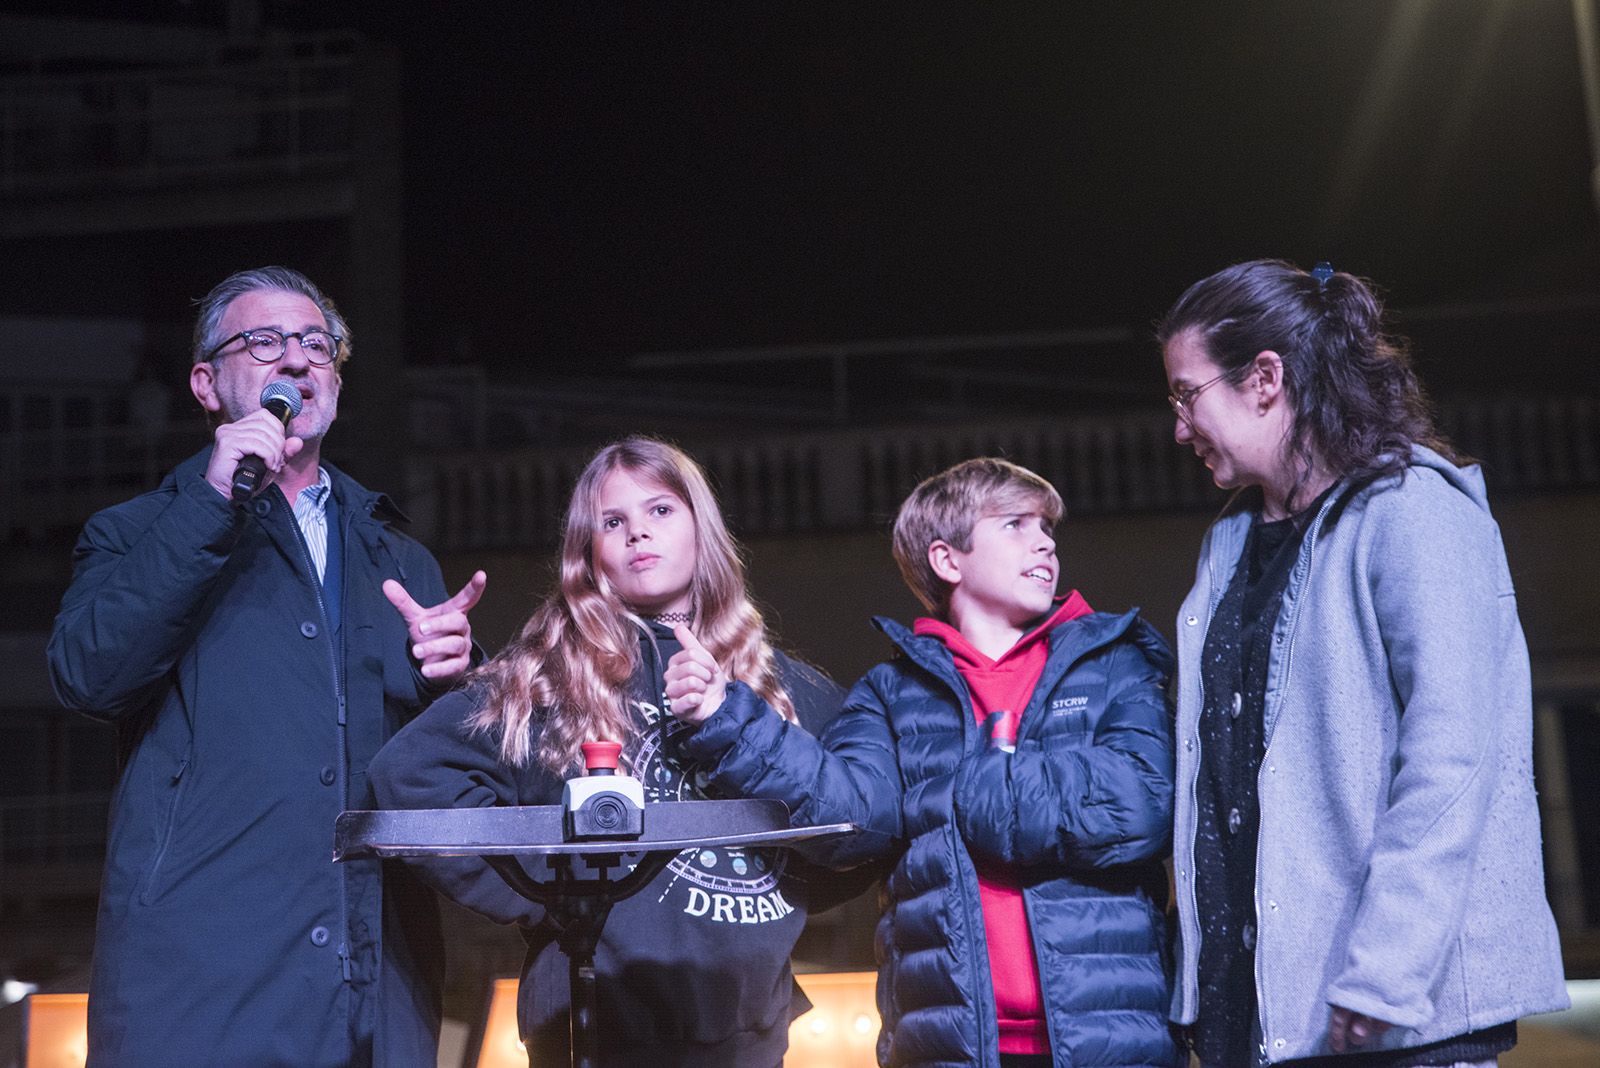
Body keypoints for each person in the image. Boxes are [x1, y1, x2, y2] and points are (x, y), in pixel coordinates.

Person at [47, 266, 486, 1067]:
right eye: (265, 341)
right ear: (206, 383)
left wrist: (452, 678)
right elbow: (88, 674)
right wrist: (212, 505)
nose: (297, 360)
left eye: (317, 345)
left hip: (379, 982)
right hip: (202, 984)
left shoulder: (398, 556)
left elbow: (454, 775)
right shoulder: (137, 533)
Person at [1157, 259, 1570, 1067]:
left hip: (1395, 1021)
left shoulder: (1413, 511)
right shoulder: (1229, 545)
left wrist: (1385, 973)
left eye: (1185, 394)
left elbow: (1452, 762)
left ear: (1265, 377)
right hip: (1265, 1022)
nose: (1177, 427)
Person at [664, 457, 1180, 1068]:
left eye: (1047, 529)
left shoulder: (1113, 665)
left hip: (1111, 1045)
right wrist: (728, 715)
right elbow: (854, 818)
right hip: (946, 1049)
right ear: (947, 560)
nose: (1044, 541)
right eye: (1014, 524)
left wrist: (989, 785)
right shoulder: (891, 691)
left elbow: (1144, 804)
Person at [369, 436, 849, 1068]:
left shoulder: (785, 686)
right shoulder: (548, 675)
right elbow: (407, 775)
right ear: (588, 553)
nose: (637, 535)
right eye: (613, 522)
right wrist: (550, 892)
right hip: (591, 1020)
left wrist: (790, 892)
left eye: (660, 511)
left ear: (701, 526)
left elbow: (859, 820)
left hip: (750, 1025)